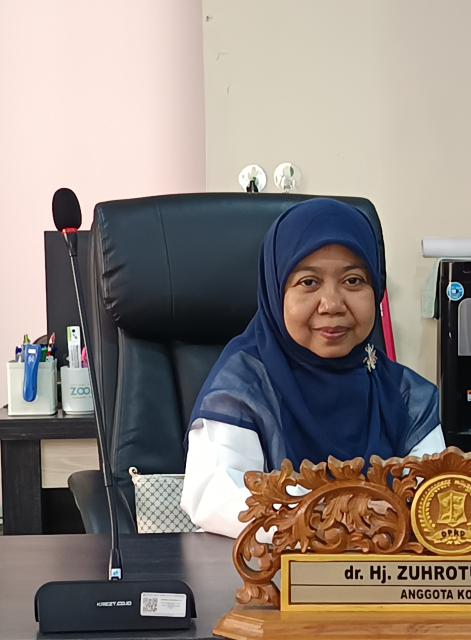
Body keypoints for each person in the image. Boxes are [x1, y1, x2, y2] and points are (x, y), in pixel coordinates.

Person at [180, 199, 444, 538]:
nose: (332, 304)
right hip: (271, 567)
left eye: (353, 280)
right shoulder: (244, 387)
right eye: (308, 282)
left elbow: (438, 501)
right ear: (277, 290)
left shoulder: (406, 395)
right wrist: (336, 518)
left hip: (385, 569)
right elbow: (216, 497)